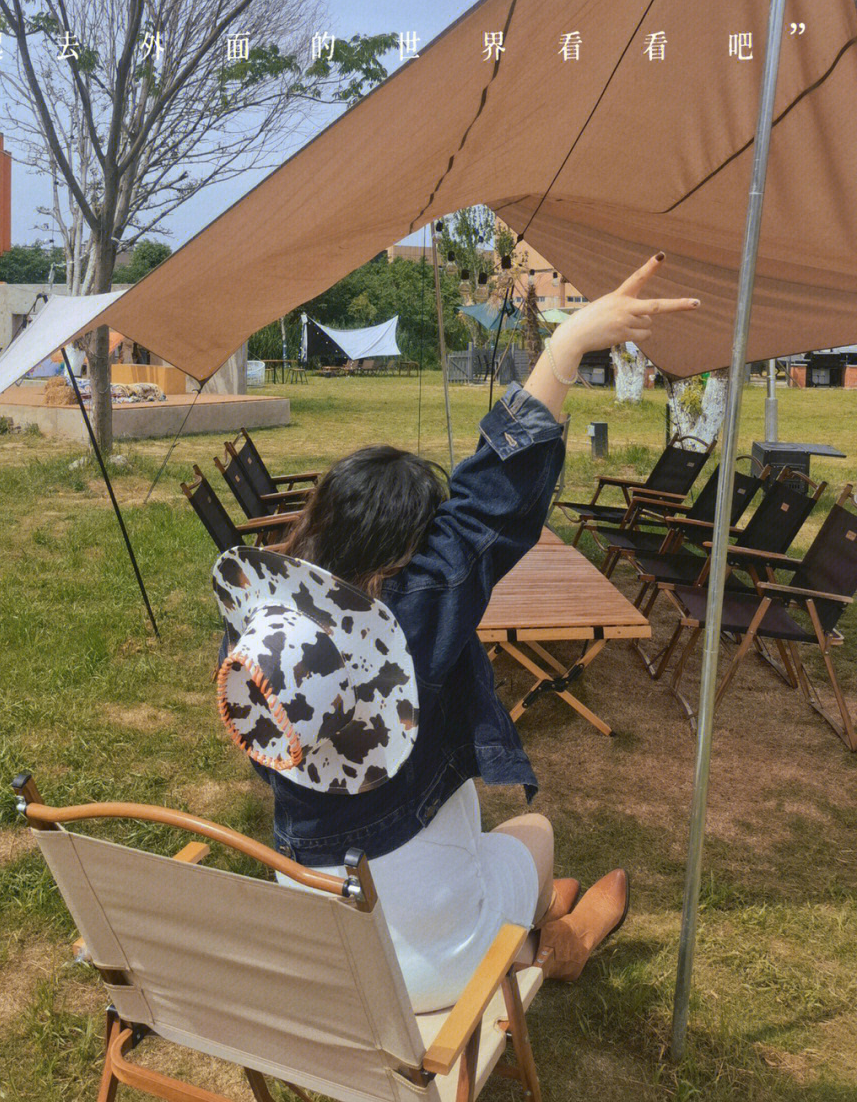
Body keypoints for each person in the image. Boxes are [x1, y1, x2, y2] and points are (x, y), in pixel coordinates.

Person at [213, 254, 700, 1009]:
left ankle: (529, 915)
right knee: (534, 832)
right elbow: (489, 505)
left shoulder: (259, 637)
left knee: (488, 847)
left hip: (324, 941)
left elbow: (478, 513)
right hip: (426, 954)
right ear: (409, 550)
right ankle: (550, 944)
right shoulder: (412, 617)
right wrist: (565, 346)